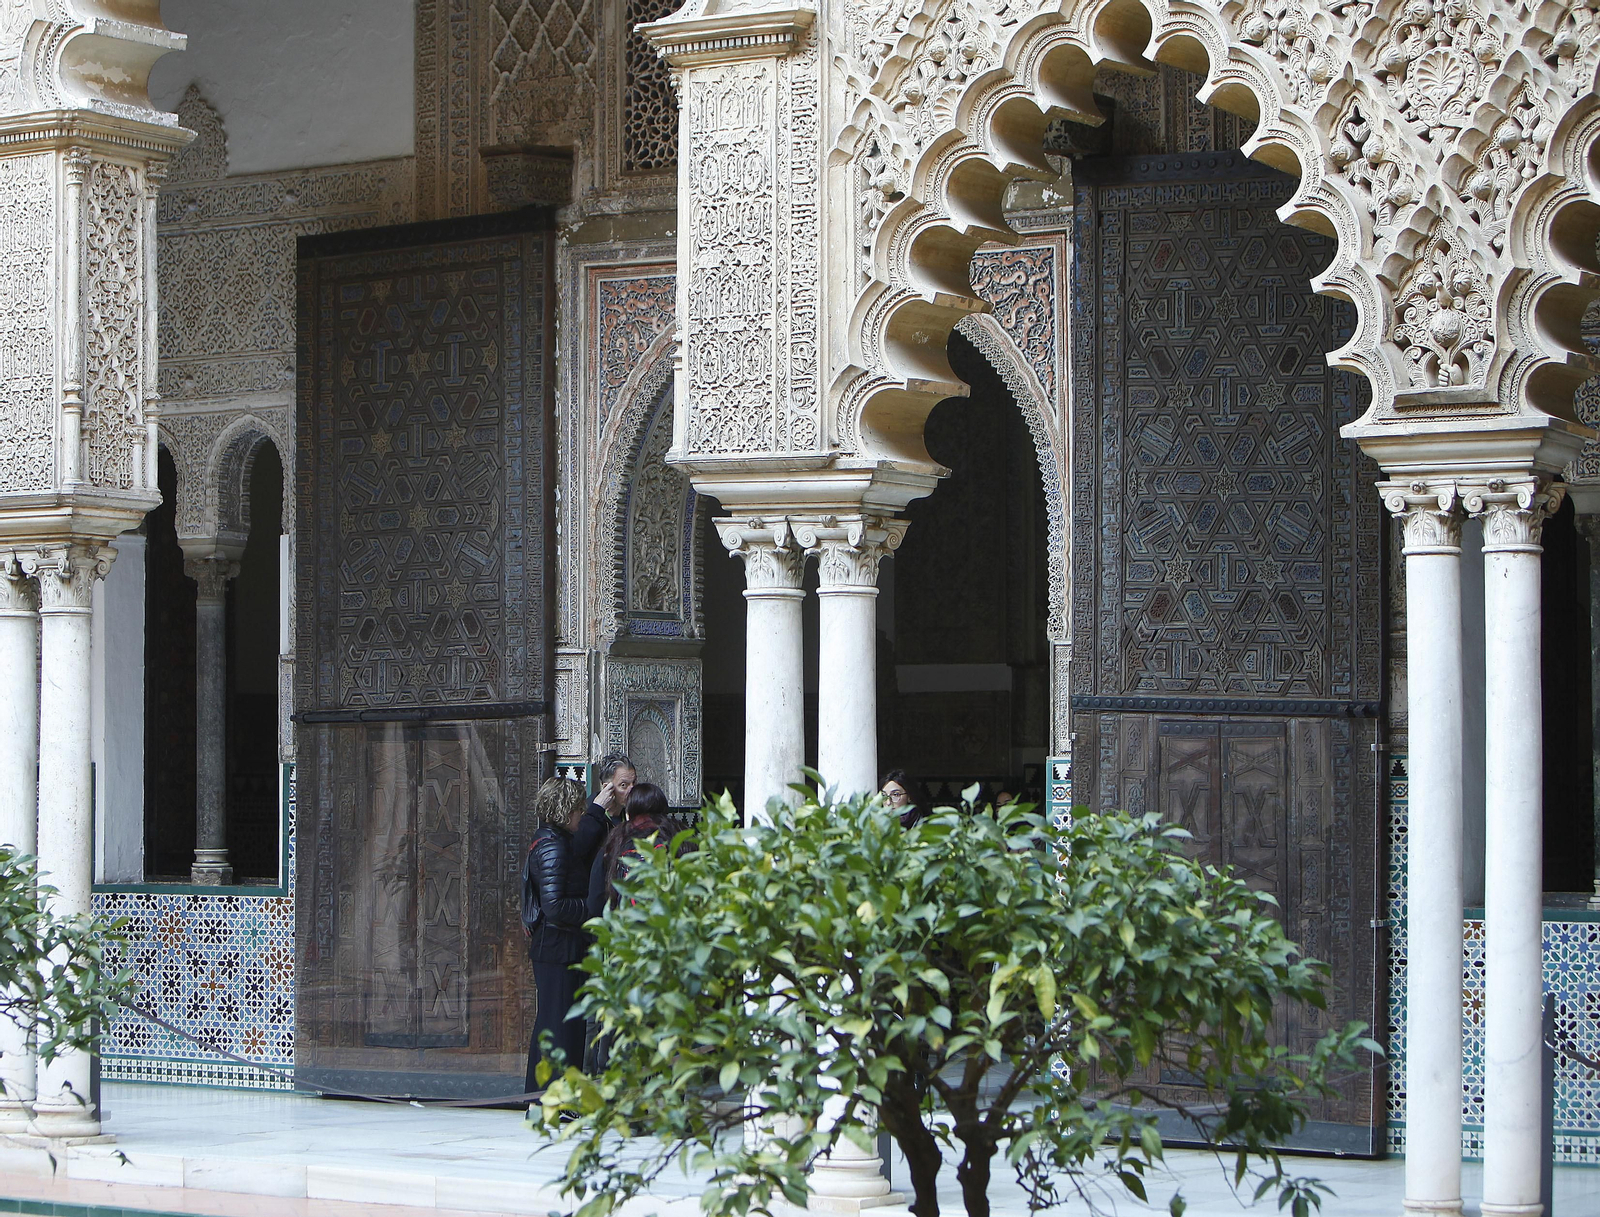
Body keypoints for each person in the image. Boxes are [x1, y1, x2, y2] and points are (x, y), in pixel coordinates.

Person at [521, 776, 591, 1095]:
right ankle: (555, 1098)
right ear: (566, 810)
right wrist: (591, 909)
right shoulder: (552, 845)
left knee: (553, 1023)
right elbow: (555, 906)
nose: (582, 813)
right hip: (557, 946)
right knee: (559, 1026)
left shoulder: (550, 840)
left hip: (556, 946)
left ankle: (541, 1096)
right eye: (579, 808)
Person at [586, 781, 670, 920]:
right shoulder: (677, 841)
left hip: (625, 934)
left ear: (628, 814)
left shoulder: (614, 844)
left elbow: (595, 903)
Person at [572, 753, 635, 874]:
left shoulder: (630, 815)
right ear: (608, 788)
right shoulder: (586, 813)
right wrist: (597, 809)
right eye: (624, 785)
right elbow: (578, 849)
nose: (631, 790)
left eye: (633, 783)